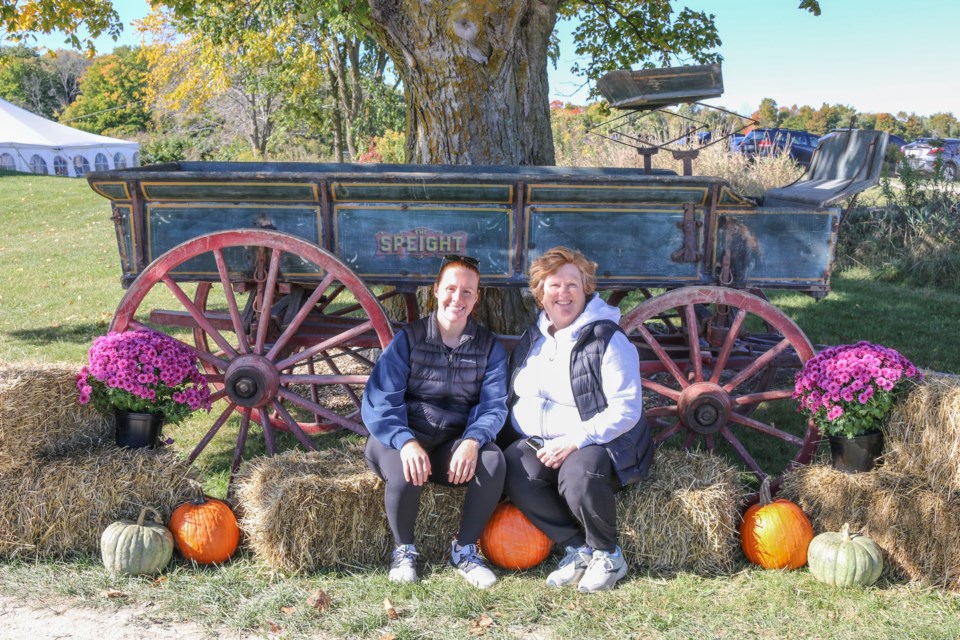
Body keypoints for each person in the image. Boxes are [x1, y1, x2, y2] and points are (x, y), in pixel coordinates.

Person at [501, 246, 652, 593]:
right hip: (543, 441)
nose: (563, 293)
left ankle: (608, 554)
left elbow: (626, 408)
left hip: (599, 440)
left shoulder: (607, 339)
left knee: (578, 474)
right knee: (511, 464)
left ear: (586, 288)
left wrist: (574, 440)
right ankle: (576, 547)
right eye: (554, 286)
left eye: (572, 284)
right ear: (541, 294)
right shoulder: (535, 338)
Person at [361, 254, 509, 589]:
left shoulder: (489, 348)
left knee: (492, 459)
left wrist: (473, 440)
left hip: (449, 446)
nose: (458, 298)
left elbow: (494, 405)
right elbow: (380, 400)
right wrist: (406, 440)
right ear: (436, 291)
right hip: (397, 440)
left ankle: (465, 550)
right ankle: (404, 549)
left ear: (477, 297)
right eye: (451, 288)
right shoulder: (409, 339)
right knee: (405, 467)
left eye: (468, 291)